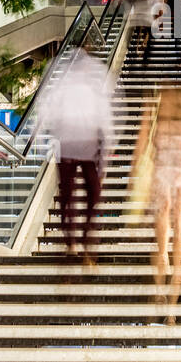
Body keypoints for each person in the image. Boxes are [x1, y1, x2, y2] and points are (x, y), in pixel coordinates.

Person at [37, 46, 113, 265]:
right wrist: (110, 139)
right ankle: (77, 237)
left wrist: (41, 134)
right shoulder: (90, 80)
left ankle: (75, 238)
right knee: (87, 191)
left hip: (73, 143)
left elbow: (47, 108)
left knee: (70, 193)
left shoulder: (68, 81)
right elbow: (104, 112)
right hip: (80, 143)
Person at [131, 85, 181, 316]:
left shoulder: (156, 97)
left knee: (162, 237)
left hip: (162, 169)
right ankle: (171, 313)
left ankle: (160, 291)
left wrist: (135, 169)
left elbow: (143, 135)